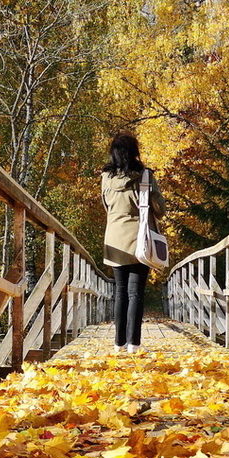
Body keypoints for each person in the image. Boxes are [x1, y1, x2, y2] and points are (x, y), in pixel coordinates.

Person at [101, 132, 165, 354]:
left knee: (120, 292)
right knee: (135, 292)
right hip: (140, 238)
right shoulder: (145, 176)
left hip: (114, 239)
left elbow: (106, 206)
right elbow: (160, 211)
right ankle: (133, 344)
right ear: (134, 151)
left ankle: (118, 343)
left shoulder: (106, 178)